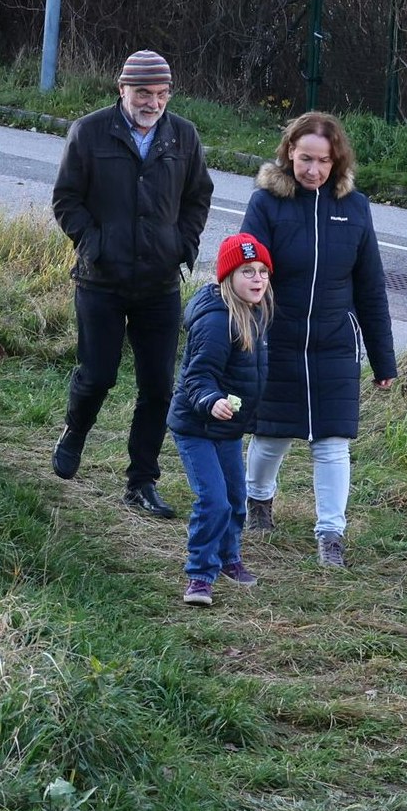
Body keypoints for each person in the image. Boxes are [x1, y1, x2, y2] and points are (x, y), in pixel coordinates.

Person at [49, 49, 214, 519]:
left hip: (159, 283)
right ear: (122, 90)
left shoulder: (183, 136)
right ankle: (75, 431)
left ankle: (141, 482)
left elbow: (198, 196)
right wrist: (94, 243)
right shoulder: (89, 131)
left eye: (161, 94)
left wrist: (182, 244)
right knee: (97, 375)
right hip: (100, 280)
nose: (152, 103)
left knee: (159, 386)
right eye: (143, 92)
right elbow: (66, 199)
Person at [237, 111, 396, 568]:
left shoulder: (355, 207)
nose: (314, 170)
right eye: (306, 158)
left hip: (334, 344)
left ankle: (331, 535)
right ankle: (257, 499)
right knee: (272, 434)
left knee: (332, 442)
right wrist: (242, 338)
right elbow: (246, 275)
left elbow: (371, 287)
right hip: (277, 337)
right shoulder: (266, 204)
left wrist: (383, 361)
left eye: (324, 161)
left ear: (336, 160)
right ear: (289, 152)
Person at [169, 234, 273, 607]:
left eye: (263, 271)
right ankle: (200, 575)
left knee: (235, 498)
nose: (258, 279)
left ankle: (230, 558)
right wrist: (211, 400)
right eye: (247, 271)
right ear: (228, 277)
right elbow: (198, 377)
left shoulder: (256, 312)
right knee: (214, 500)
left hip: (228, 428)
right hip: (196, 426)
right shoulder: (216, 322)